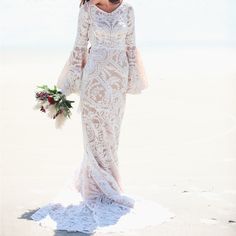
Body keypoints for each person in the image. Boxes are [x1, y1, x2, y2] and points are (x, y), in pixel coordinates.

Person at [30, 0, 175, 233]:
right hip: (94, 81)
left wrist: (133, 80)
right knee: (94, 136)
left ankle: (111, 185)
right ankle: (96, 190)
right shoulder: (87, 10)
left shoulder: (128, 10)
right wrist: (64, 88)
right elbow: (79, 47)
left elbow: (131, 46)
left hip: (117, 81)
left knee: (111, 137)